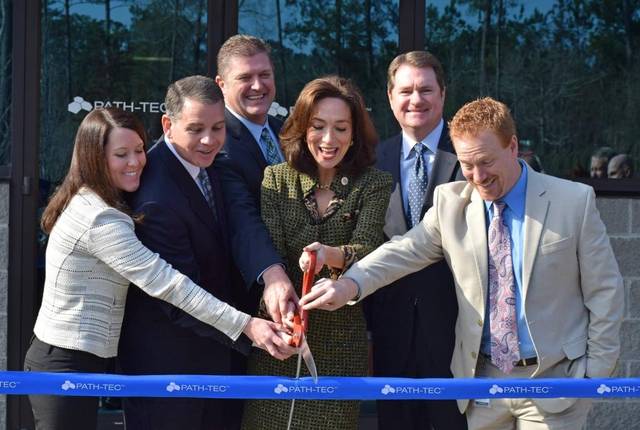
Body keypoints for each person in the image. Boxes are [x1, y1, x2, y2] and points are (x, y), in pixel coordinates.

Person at [301, 97, 624, 430]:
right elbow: (400, 252)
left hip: (555, 385)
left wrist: (593, 374)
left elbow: (605, 291)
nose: (478, 176)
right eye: (467, 165)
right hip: (482, 386)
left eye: (486, 161)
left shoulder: (573, 201)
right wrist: (349, 284)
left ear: (513, 146)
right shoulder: (451, 203)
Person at [23, 107, 292, 430]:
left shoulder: (100, 200)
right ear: (94, 158)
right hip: (65, 363)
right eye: (121, 154)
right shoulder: (100, 219)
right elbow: (170, 285)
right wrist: (248, 325)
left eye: (139, 150)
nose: (135, 162)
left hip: (83, 359)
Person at [117, 77, 295, 430]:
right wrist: (250, 329)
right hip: (168, 372)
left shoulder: (213, 163)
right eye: (196, 129)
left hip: (216, 363)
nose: (209, 140)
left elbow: (243, 221)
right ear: (168, 124)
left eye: (217, 128)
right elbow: (182, 296)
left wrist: (273, 275)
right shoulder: (155, 195)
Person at [241, 75, 393, 430]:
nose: (328, 139)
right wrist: (279, 310)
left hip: (341, 347)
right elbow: (270, 254)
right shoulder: (276, 179)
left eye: (341, 128)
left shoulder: (374, 183)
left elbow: (368, 248)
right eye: (318, 126)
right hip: (278, 338)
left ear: (354, 134)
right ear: (302, 128)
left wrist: (330, 255)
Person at [368, 50, 466, 430]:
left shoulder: (469, 155)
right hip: (391, 331)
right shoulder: (372, 160)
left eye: (426, 90)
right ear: (390, 97)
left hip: (456, 331)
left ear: (443, 94)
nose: (416, 100)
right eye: (405, 90)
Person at [214, 35, 296, 324]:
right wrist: (271, 272)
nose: (258, 86)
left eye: (265, 75)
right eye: (245, 78)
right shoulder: (218, 143)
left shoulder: (287, 132)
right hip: (254, 302)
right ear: (221, 85)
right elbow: (242, 218)